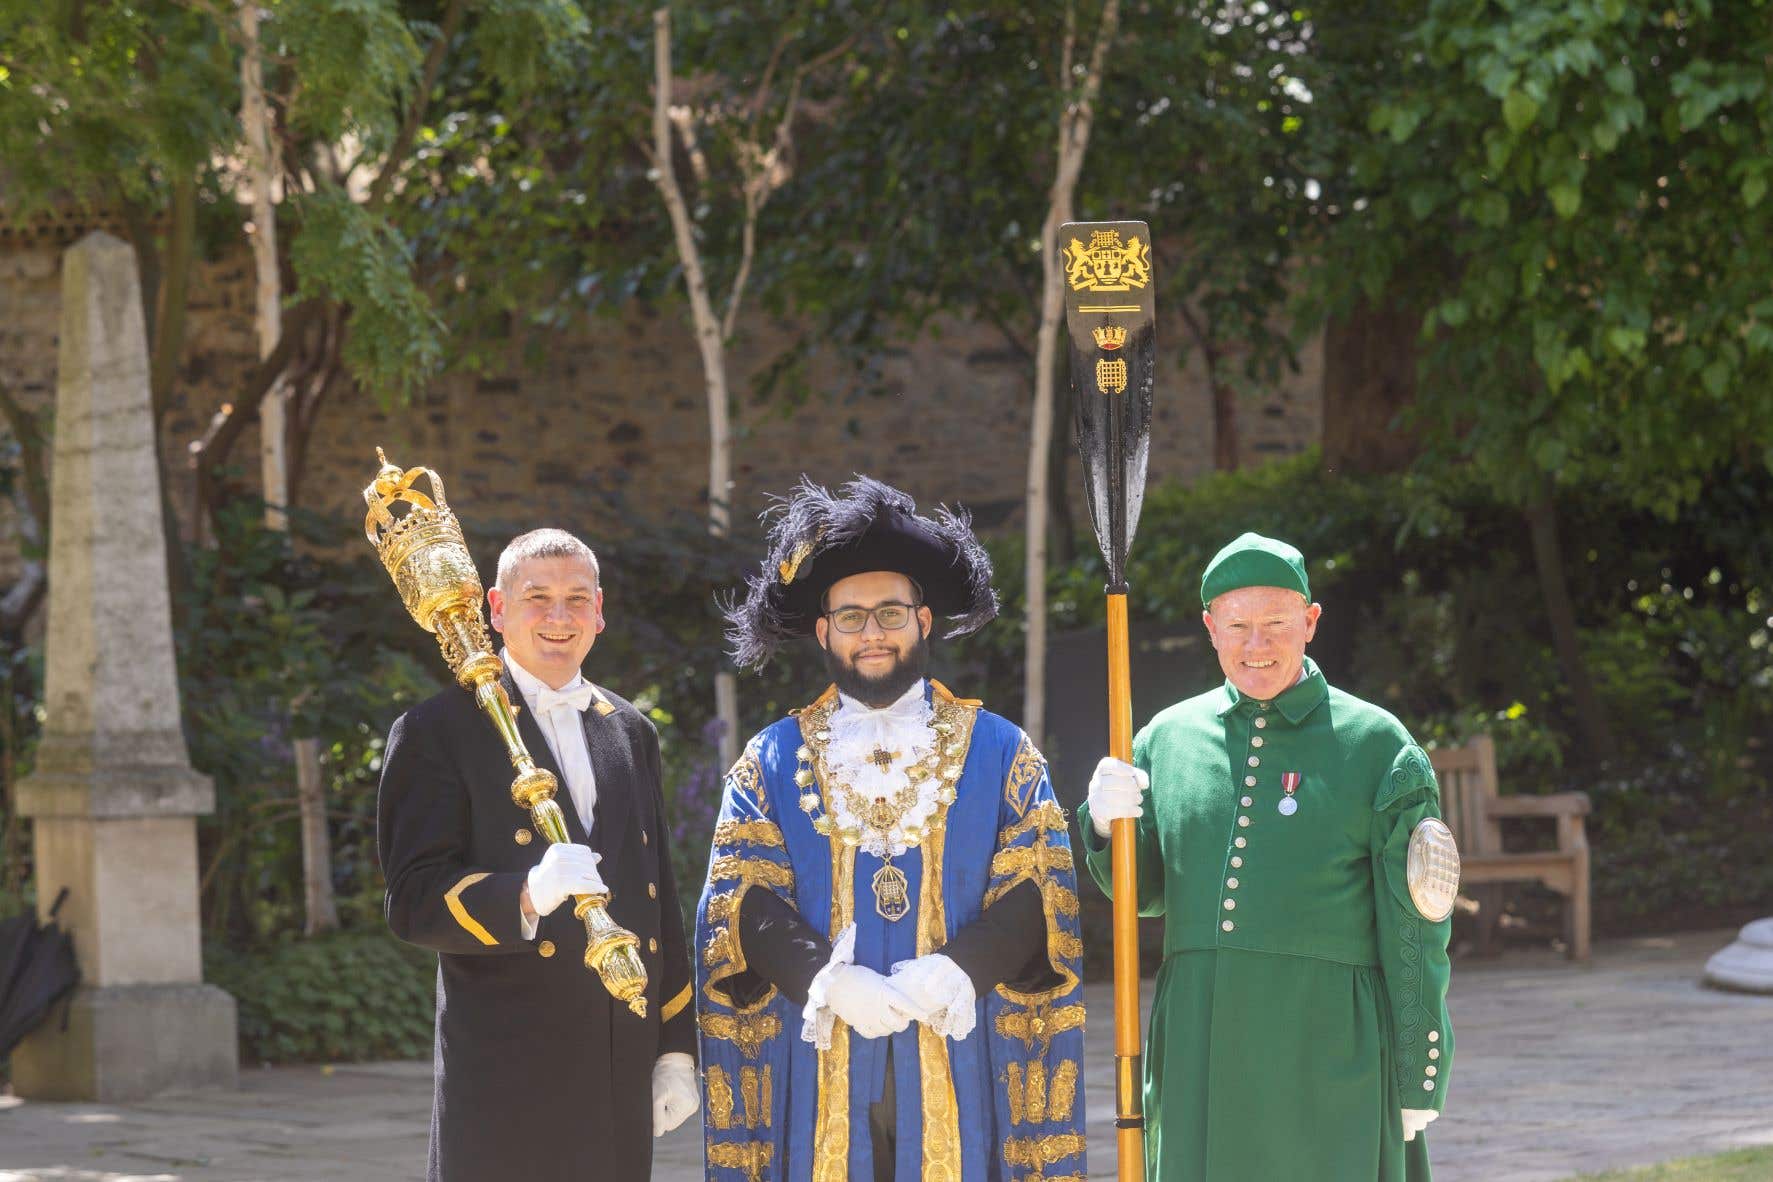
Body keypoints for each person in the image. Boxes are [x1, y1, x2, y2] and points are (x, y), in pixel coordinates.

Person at [697, 476, 1087, 1181]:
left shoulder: (999, 749)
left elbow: (1042, 886)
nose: (870, 633)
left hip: (956, 1048)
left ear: (924, 621)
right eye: (849, 617)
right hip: (817, 1052)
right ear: (822, 632)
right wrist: (825, 981)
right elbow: (739, 897)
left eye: (889, 612)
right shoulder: (770, 758)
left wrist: (957, 970)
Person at [1080, 531, 1456, 1181]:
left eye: (1276, 624)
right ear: (1209, 628)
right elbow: (1139, 895)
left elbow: (1416, 926)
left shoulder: (1377, 745)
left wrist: (1419, 1072)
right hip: (1200, 1042)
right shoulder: (1163, 738)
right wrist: (1103, 827)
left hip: (1328, 1044)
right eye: (1238, 626)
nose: (1256, 646)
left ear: (1309, 622)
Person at [377, 528, 699, 1181]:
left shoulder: (628, 728)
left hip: (618, 1060)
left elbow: (657, 894)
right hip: (508, 1070)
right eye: (537, 598)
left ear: (600, 612)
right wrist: (525, 895)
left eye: (577, 599)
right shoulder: (437, 731)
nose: (559, 617)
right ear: (495, 609)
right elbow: (411, 902)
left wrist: (674, 1048)